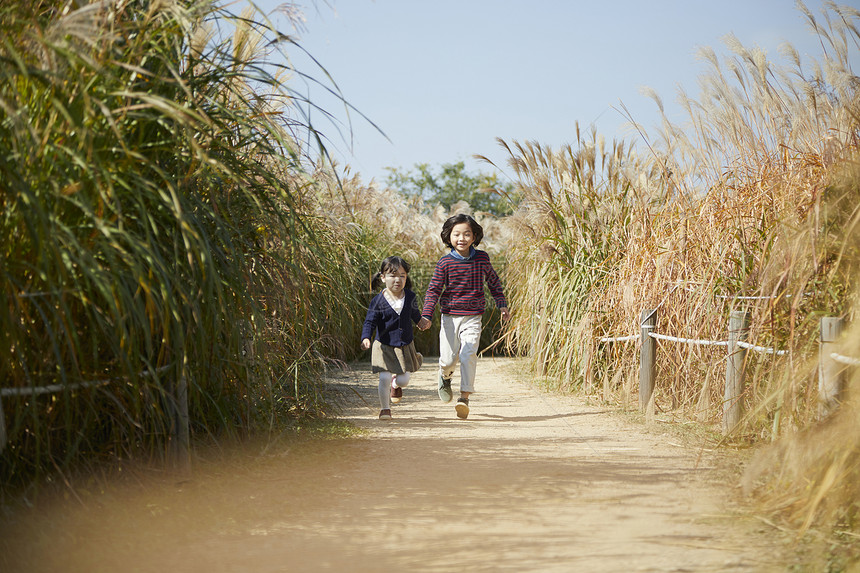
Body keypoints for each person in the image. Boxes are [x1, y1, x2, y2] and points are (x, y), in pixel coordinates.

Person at [421, 214, 509, 419]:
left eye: (467, 234)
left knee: (468, 353)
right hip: (450, 316)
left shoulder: (482, 258)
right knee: (448, 359)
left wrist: (502, 304)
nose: (462, 238)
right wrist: (426, 315)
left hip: (473, 317)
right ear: (448, 237)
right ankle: (445, 376)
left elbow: (493, 282)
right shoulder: (444, 263)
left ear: (474, 236)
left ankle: (465, 398)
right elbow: (433, 290)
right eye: (457, 234)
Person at [361, 256, 431, 420]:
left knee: (404, 380)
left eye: (402, 275)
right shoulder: (377, 301)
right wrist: (366, 337)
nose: (397, 279)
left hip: (404, 345)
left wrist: (422, 323)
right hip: (383, 345)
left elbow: (415, 316)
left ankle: (396, 383)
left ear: (406, 277)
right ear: (383, 277)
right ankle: (385, 409)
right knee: (383, 377)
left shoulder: (410, 297)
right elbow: (369, 322)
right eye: (392, 275)